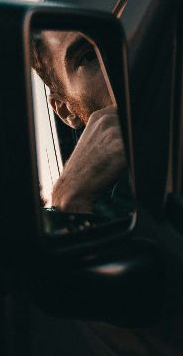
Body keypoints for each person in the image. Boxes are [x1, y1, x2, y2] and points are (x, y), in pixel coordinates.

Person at [30, 28, 127, 215]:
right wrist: (66, 200)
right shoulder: (107, 205)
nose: (119, 62)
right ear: (66, 110)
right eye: (89, 57)